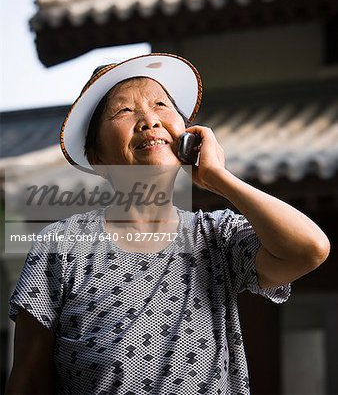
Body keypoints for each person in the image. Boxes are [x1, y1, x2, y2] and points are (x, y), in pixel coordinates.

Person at [6, 53, 330, 395]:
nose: (149, 120)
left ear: (186, 138)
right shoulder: (62, 244)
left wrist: (220, 178)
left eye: (161, 105)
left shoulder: (217, 236)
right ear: (97, 157)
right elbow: (27, 379)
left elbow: (309, 249)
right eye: (124, 112)